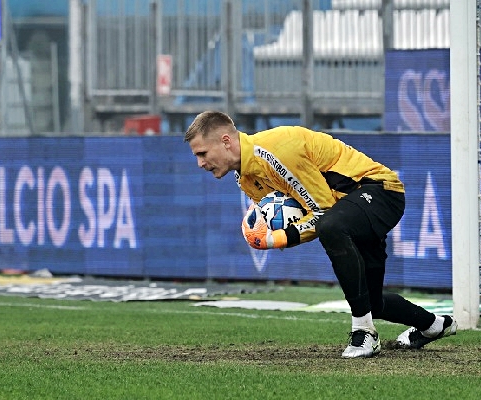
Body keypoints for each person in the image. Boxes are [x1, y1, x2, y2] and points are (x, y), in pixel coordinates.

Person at [184, 110, 457, 359]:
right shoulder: (245, 177)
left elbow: (322, 213)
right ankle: (433, 325)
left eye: (202, 153)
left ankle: (365, 333)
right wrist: (269, 232)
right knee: (372, 301)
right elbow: (300, 215)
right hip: (350, 209)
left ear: (225, 141)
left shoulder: (275, 151)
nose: (200, 163)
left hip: (380, 191)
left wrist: (277, 238)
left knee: (332, 227)